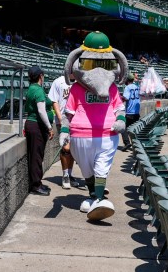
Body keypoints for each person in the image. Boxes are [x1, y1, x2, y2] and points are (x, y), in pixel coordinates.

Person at [59, 31, 128, 221]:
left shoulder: (112, 88)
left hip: (107, 133)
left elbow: (119, 109)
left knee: (101, 169)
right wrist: (64, 131)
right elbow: (68, 113)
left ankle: (98, 199)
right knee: (87, 170)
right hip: (80, 135)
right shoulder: (75, 89)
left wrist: (121, 121)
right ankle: (92, 196)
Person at [24, 65, 54, 196]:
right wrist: (49, 127)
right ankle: (35, 185)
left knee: (37, 155)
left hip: (33, 125)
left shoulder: (32, 88)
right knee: (36, 156)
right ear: (40, 76)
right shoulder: (38, 90)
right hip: (37, 126)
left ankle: (37, 182)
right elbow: (42, 111)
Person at [48, 72, 80, 189]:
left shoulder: (79, 82)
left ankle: (70, 174)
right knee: (65, 148)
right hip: (63, 119)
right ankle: (65, 175)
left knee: (72, 149)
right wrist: (60, 118)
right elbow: (54, 101)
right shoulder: (59, 81)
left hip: (76, 120)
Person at [121, 73, 140, 151]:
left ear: (127, 80)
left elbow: (126, 98)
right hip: (136, 112)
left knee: (123, 128)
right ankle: (137, 145)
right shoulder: (137, 87)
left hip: (130, 112)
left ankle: (127, 143)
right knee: (134, 129)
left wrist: (119, 98)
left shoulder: (127, 87)